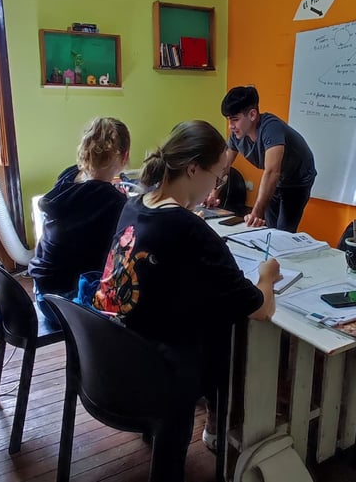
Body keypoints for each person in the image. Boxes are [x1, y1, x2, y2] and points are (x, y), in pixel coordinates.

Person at [92, 120, 280, 482]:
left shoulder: (133, 204)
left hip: (107, 359)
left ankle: (209, 422)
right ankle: (220, 423)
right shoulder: (191, 230)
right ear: (194, 169)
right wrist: (267, 277)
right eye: (217, 176)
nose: (216, 187)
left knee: (208, 313)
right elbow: (260, 308)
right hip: (154, 375)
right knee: (225, 327)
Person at [28, 117, 130, 298]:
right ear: (125, 156)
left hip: (42, 288)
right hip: (68, 300)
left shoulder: (68, 175)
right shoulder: (113, 202)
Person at [212, 85, 317, 232]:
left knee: (283, 231)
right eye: (229, 120)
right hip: (277, 178)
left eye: (235, 119)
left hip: (298, 179)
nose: (231, 126)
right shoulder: (237, 136)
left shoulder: (271, 128)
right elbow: (224, 166)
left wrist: (256, 212)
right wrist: (213, 193)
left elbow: (272, 172)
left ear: (252, 115)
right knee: (269, 227)